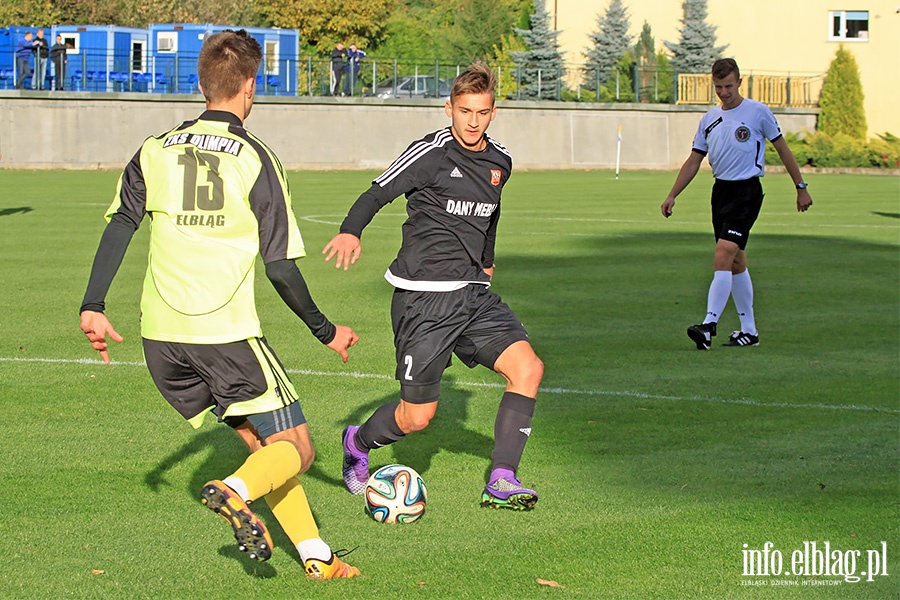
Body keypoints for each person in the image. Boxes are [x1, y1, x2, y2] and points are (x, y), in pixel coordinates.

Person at [79, 29, 360, 580]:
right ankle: (233, 492)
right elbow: (280, 265)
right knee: (298, 449)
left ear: (203, 84)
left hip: (161, 338)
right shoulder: (256, 158)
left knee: (266, 447)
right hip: (224, 334)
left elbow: (121, 225)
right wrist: (325, 330)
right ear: (249, 88)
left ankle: (317, 558)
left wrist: (93, 304)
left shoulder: (153, 149)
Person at [323, 63, 544, 510]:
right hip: (423, 299)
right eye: (464, 111)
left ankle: (501, 478)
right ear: (449, 109)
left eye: (481, 112)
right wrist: (351, 230)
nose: (472, 121)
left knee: (529, 369)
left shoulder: (500, 162)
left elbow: (491, 215)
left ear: (493, 112)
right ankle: (358, 442)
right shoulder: (431, 152)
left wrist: (487, 262)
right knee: (418, 418)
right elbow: (377, 192)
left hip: (473, 295)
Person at [660, 58, 813, 350]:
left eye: (729, 86)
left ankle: (708, 324)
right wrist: (672, 194)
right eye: (719, 87)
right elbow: (695, 160)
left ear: (739, 82)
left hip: (747, 192)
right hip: (721, 193)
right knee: (737, 260)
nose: (724, 92)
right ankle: (749, 331)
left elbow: (783, 150)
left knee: (723, 253)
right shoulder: (709, 119)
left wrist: (801, 187)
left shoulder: (758, 112)